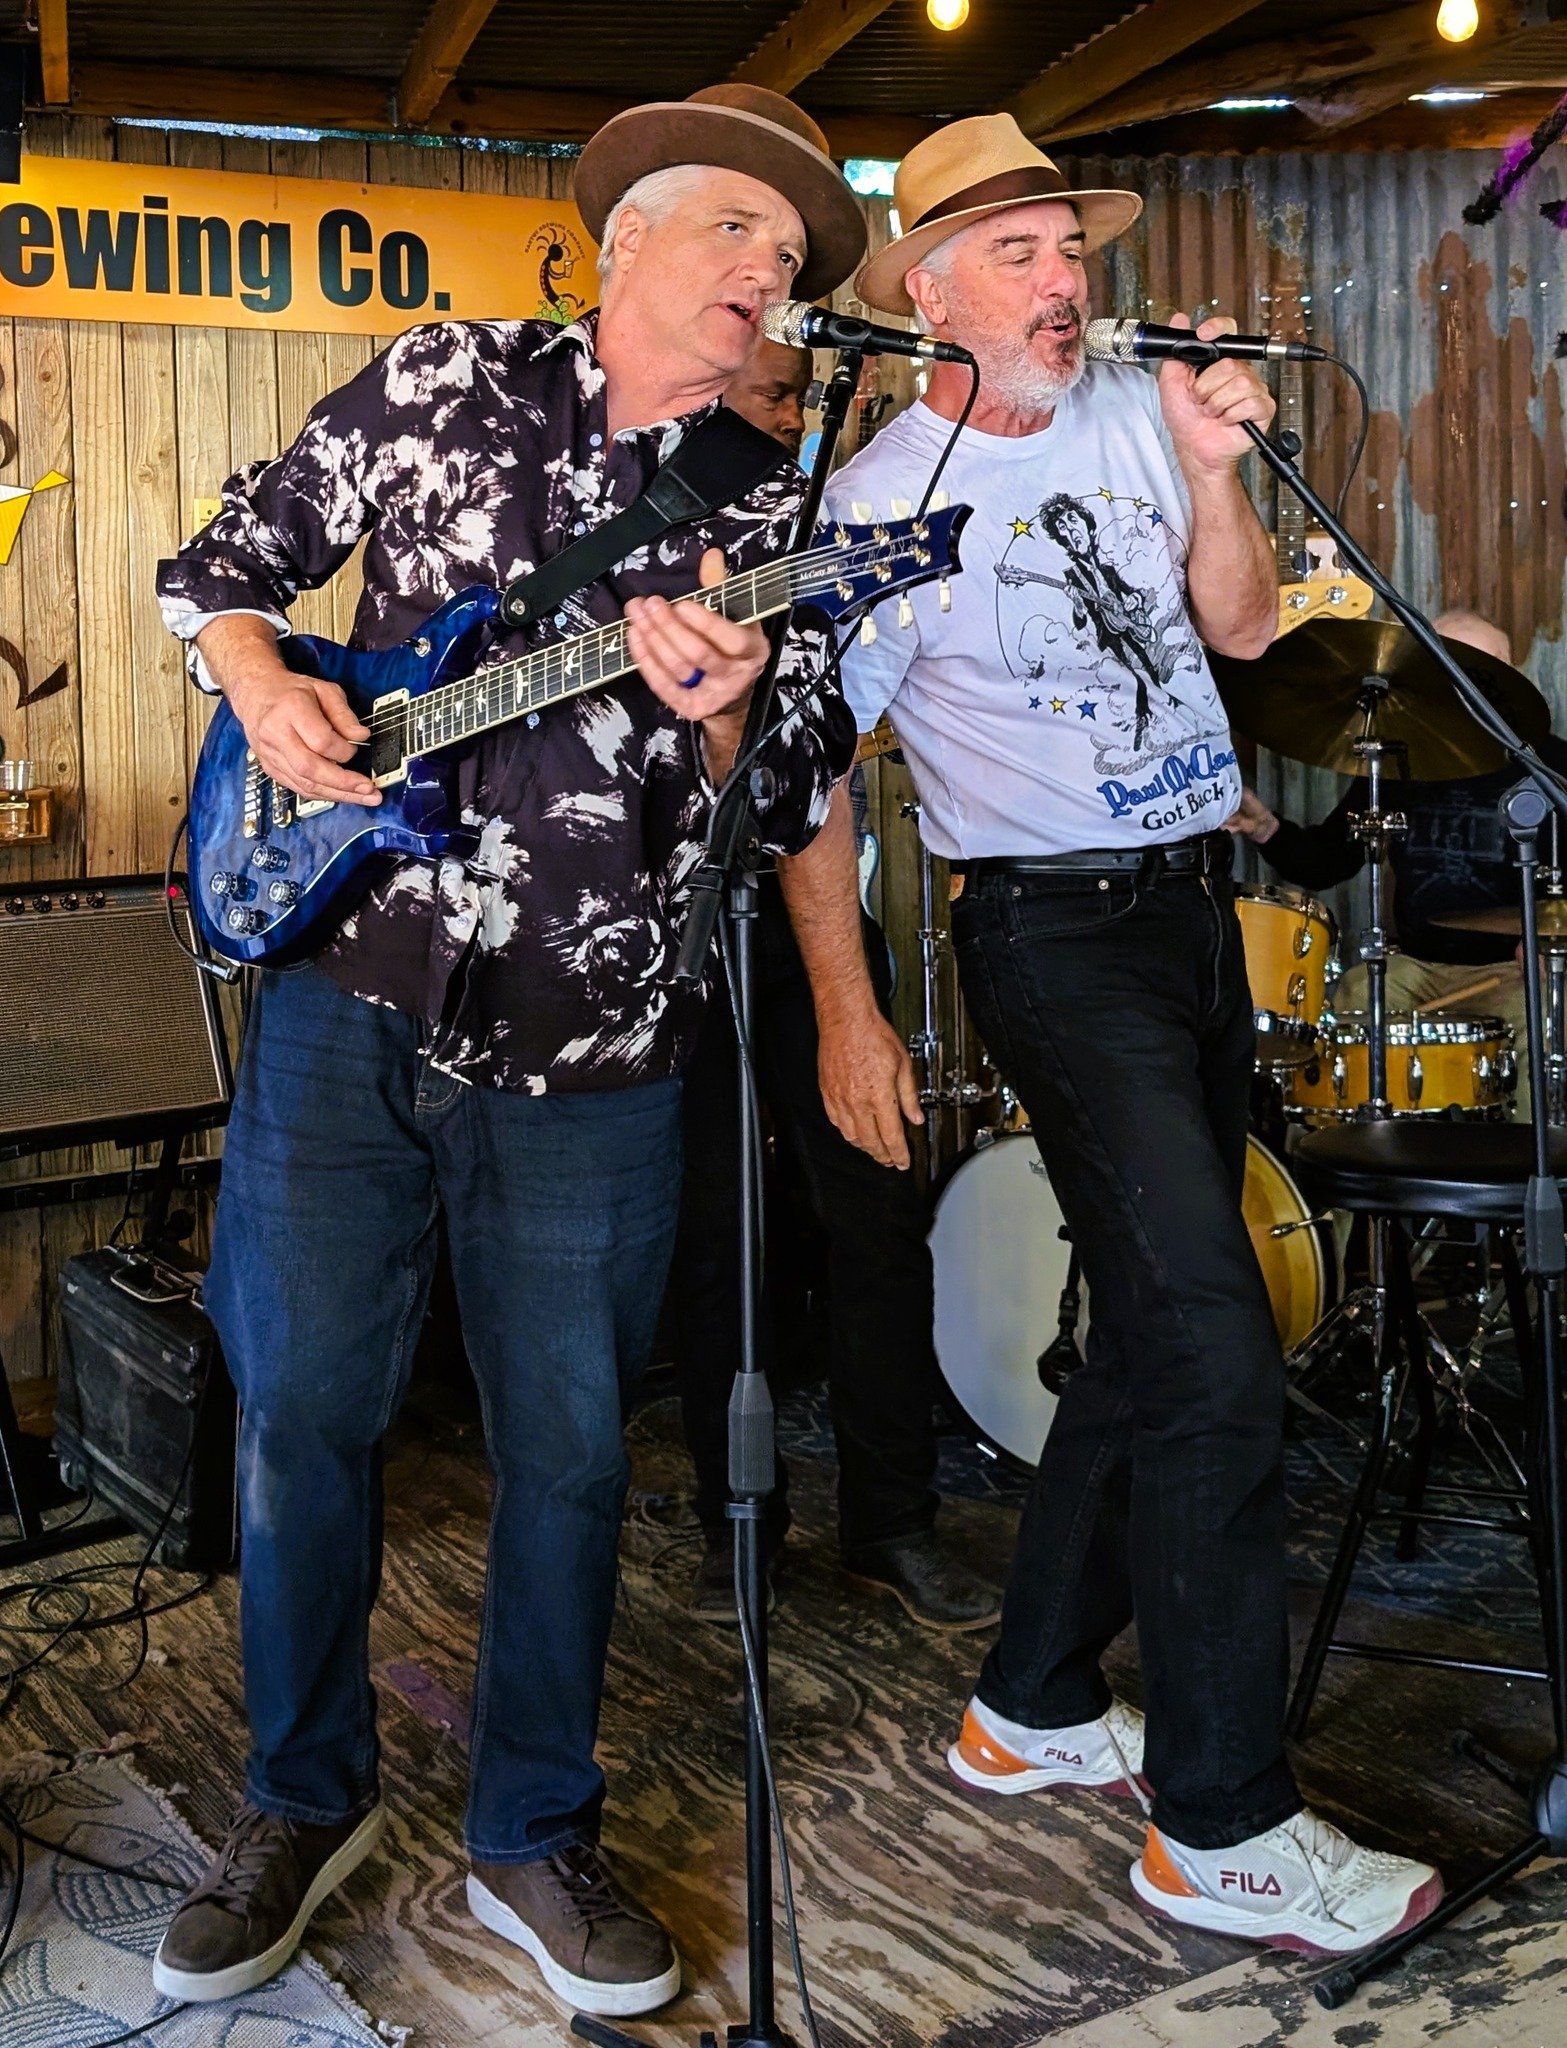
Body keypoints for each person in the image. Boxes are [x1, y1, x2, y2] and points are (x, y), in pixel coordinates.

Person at [150, 84, 862, 2018]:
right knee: (299, 1410)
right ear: (627, 238)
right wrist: (266, 685)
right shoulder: (441, 377)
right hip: (346, 987)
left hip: (595, 1043)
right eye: (737, 229)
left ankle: (532, 1825)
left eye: (793, 255)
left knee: (568, 1450)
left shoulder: (776, 510)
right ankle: (300, 1797)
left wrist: (725, 713)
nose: (769, 271)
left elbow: (795, 785)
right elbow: (221, 566)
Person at [802, 112, 1443, 1955]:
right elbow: (807, 777)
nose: (1062, 282)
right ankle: (1222, 1828)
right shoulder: (875, 505)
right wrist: (848, 1010)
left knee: (1152, 1332)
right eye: (1015, 254)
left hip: (1184, 911)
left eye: (1069, 249)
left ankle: (1030, 1701)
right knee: (1216, 1343)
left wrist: (1211, 463)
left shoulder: (1128, 414)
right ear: (929, 292)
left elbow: (1237, 633)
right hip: (1046, 933)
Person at [663, 336, 1000, 1629]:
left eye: (803, 393)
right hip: (670, 926)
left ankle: (893, 1522)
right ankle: (729, 1523)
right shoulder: (637, 507)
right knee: (714, 1231)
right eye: (769, 390)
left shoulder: (829, 515)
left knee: (874, 1203)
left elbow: (842, 731)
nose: (789, 410)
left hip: (812, 915)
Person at [1230, 610, 1565, 1121]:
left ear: (1511, 676)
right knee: (1354, 993)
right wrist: (1264, 828)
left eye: (1478, 669)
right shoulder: (1397, 764)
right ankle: (1355, 1155)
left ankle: (1523, 1164)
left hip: (1512, 974)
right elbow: (1326, 861)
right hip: (1417, 966)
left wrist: (1545, 941)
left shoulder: (1551, 768)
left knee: (1541, 1016)